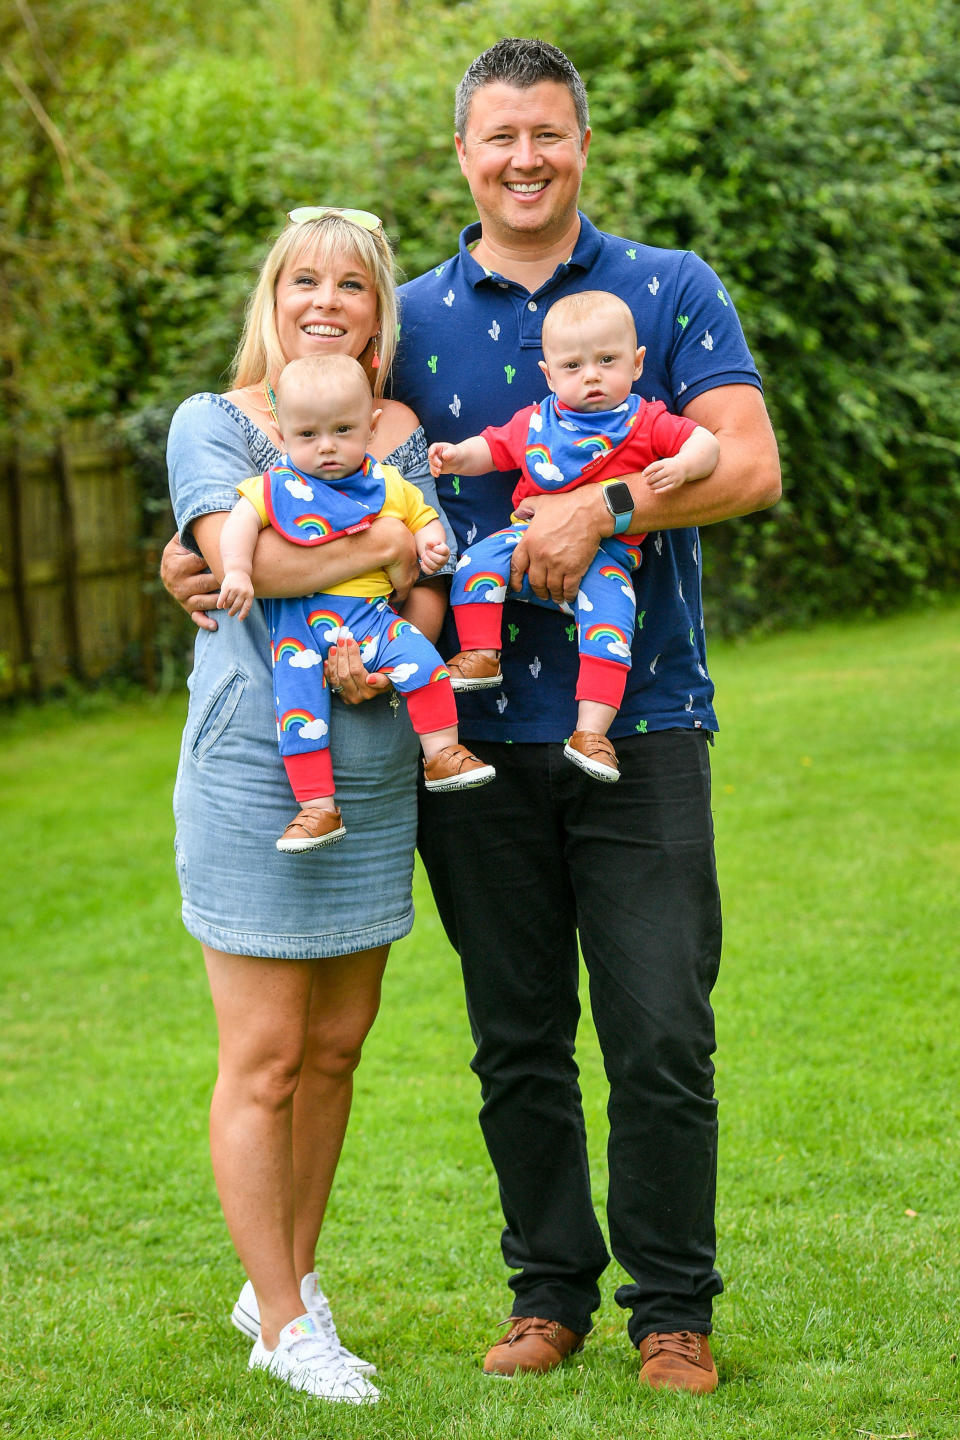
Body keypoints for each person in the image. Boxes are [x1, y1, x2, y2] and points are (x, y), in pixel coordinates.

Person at [163, 41, 781, 1395]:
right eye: (497, 136)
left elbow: (746, 462)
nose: (523, 158)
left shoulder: (668, 289)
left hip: (644, 720)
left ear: (580, 142)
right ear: (463, 154)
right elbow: (322, 484)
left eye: (546, 134)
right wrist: (202, 554)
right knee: (515, 1036)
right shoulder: (413, 327)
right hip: (473, 743)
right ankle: (548, 1292)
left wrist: (606, 506)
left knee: (663, 1026)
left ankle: (672, 1309)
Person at [163, 206, 459, 1403]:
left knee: (335, 1049)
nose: (325, 298)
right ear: (271, 297)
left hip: (377, 771)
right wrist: (386, 549)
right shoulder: (217, 423)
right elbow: (255, 570)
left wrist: (394, 641)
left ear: (378, 312)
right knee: (267, 1057)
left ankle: (282, 1278)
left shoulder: (410, 436)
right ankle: (287, 1327)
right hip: (255, 773)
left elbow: (430, 605)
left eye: (352, 282)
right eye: (303, 279)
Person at [428, 289, 719, 781]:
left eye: (607, 360)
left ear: (637, 363)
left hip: (606, 560)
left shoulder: (646, 422)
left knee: (611, 627)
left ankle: (592, 732)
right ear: (548, 374)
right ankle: (481, 653)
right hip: (523, 540)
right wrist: (457, 457)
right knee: (474, 564)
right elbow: (493, 447)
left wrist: (683, 466)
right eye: (573, 366)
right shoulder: (537, 420)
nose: (591, 376)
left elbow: (706, 442)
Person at [218, 352, 494, 852]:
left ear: (370, 429)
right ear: (283, 435)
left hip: (374, 619)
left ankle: (442, 752)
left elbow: (424, 520)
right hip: (299, 632)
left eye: (343, 431)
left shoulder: (387, 483)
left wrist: (430, 542)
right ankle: (317, 808)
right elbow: (239, 523)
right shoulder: (276, 487)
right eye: (308, 435)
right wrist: (236, 569)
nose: (326, 447)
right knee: (299, 713)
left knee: (425, 664)